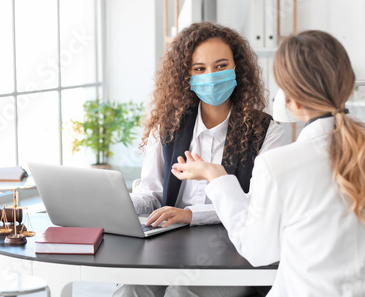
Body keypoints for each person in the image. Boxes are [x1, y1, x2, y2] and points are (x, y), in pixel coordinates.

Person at [171, 30, 365, 297]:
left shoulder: (279, 165)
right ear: (348, 81)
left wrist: (217, 178)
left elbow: (257, 250)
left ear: (290, 100)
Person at [112, 22, 284, 297]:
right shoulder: (168, 126)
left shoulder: (268, 132)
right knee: (131, 288)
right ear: (186, 76)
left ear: (237, 69)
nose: (211, 76)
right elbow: (152, 193)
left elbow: (258, 206)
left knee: (182, 292)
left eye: (220, 66)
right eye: (200, 69)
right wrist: (120, 205)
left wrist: (191, 215)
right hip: (170, 248)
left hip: (235, 253)